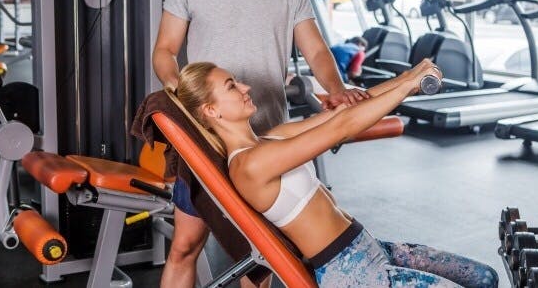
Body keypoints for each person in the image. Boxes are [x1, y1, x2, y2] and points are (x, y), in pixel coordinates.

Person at [152, 0, 369, 288]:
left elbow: (316, 50)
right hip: (207, 140)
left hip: (270, 140)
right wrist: (179, 92)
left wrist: (337, 89)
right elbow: (164, 49)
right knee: (184, 246)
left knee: (262, 260)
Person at [175, 58, 499, 288]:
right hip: (349, 272)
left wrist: (409, 77)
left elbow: (344, 112)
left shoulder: (271, 139)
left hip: (370, 247)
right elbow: (342, 127)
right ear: (211, 110)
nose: (245, 87)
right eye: (232, 86)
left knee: (485, 278)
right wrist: (408, 87)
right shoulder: (249, 165)